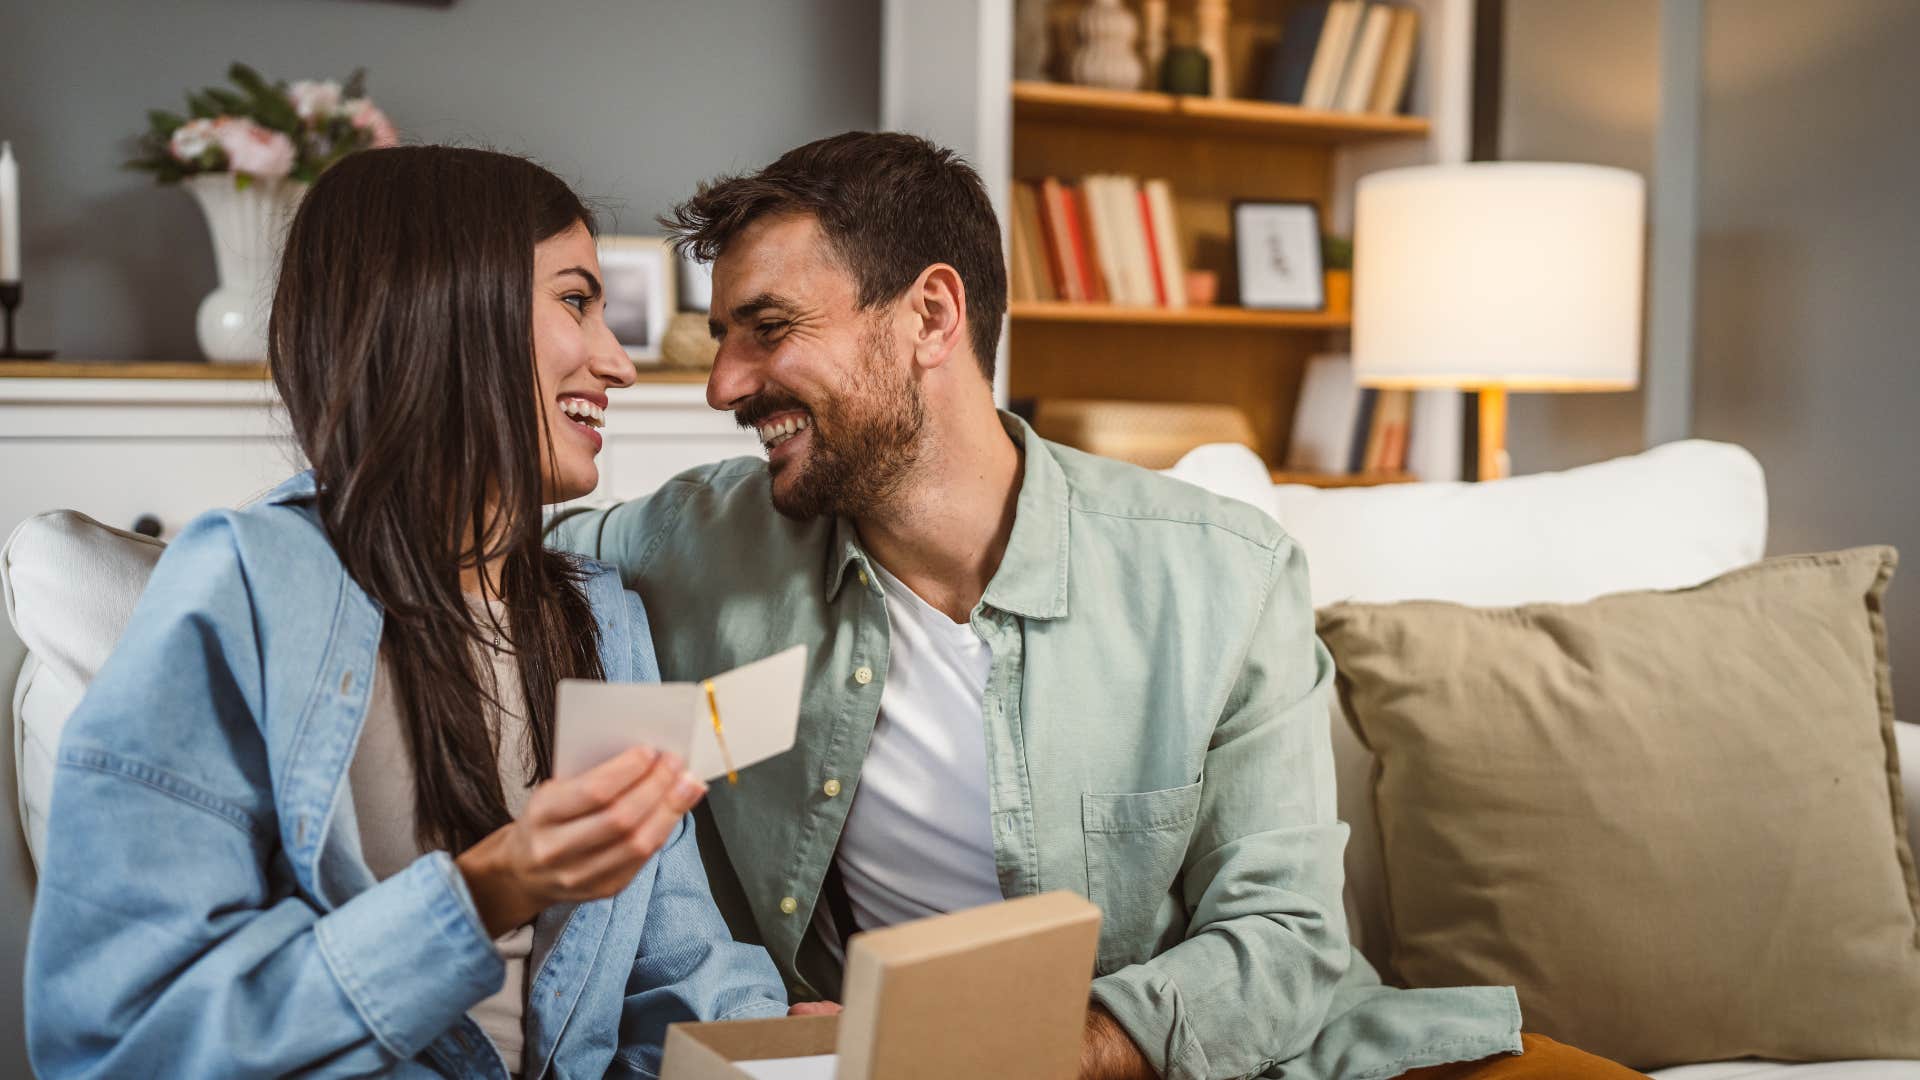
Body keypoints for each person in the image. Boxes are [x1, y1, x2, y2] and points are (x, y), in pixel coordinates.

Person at [550, 132, 1647, 1079]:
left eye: (769, 328)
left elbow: (1288, 939)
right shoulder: (693, 543)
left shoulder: (1223, 575)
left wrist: (1019, 1054)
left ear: (932, 314)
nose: (721, 385)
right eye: (724, 337)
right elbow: (462, 548)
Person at [24, 146, 787, 1079]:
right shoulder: (245, 590)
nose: (618, 364)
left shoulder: (603, 621)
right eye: (577, 301)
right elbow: (117, 1042)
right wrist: (487, 891)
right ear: (447, 303)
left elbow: (682, 971)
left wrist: (779, 1046)